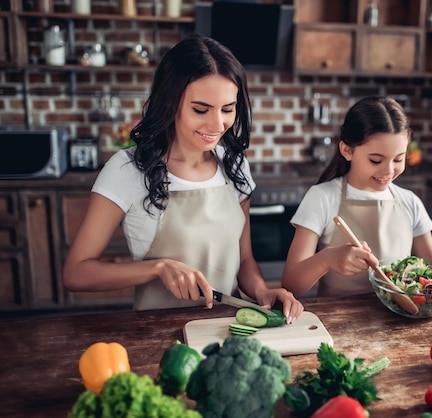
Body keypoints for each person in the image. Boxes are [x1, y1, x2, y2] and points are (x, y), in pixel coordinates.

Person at [63, 34, 303, 323]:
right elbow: (76, 272)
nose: (217, 125)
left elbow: (244, 260)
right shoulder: (127, 169)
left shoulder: (234, 164)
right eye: (201, 110)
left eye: (228, 109)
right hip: (157, 336)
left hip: (230, 327)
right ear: (170, 102)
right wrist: (157, 268)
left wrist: (264, 291)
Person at [281, 96, 432, 297]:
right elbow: (291, 284)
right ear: (347, 150)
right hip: (338, 323)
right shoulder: (322, 197)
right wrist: (326, 260)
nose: (388, 171)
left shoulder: (409, 201)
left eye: (398, 159)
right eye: (376, 160)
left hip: (396, 323)